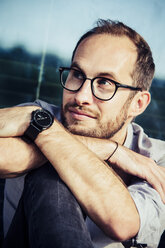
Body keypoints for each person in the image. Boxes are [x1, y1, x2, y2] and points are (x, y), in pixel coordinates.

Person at [0, 19, 165, 248]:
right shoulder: (39, 116)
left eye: (105, 82)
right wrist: (107, 150)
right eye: (77, 74)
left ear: (137, 103)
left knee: (57, 169)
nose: (81, 97)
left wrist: (49, 137)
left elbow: (122, 221)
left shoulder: (157, 160)